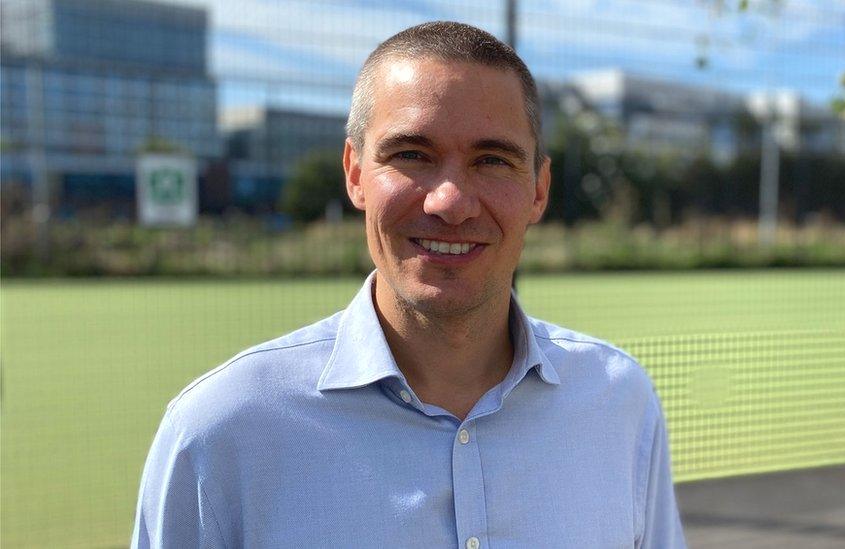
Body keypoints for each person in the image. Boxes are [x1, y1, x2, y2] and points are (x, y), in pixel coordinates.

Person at [132, 21, 685, 548]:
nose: (450, 202)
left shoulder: (618, 400)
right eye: (412, 155)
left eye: (492, 160)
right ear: (354, 174)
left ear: (539, 190)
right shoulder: (221, 432)